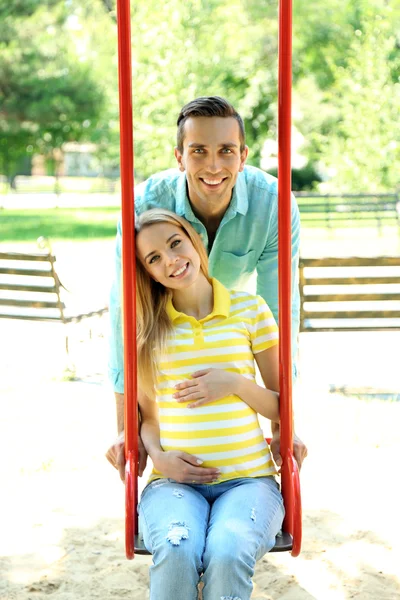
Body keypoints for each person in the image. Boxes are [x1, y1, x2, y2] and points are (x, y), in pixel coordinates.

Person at [108, 95, 307, 475]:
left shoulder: (273, 205)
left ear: (243, 156)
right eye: (198, 151)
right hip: (169, 316)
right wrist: (124, 427)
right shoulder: (144, 206)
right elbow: (126, 310)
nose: (213, 166)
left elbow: (281, 309)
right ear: (179, 157)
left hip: (224, 315)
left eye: (226, 151)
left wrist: (285, 424)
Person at [125, 207, 285, 600]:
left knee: (228, 551)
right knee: (178, 547)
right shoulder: (148, 328)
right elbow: (149, 420)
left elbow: (283, 407)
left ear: (194, 240)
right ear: (147, 272)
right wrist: (158, 457)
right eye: (154, 259)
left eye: (175, 244)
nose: (171, 261)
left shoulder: (250, 311)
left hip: (248, 480)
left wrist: (232, 382)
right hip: (172, 484)